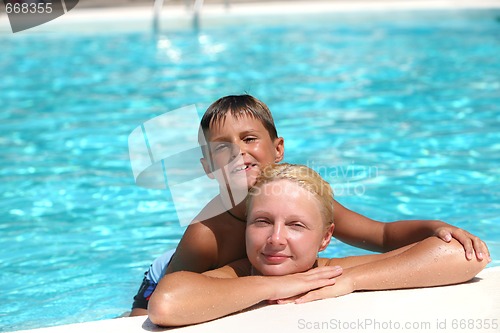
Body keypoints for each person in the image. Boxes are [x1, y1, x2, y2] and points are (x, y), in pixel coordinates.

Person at [130, 95, 490, 316]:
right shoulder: (205, 232)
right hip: (169, 274)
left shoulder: (303, 198)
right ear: (209, 167)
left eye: (250, 139)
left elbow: (381, 234)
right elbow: (169, 293)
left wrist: (434, 228)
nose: (238, 152)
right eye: (221, 148)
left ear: (278, 148)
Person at [148, 163, 488, 326]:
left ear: (326, 237)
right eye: (262, 222)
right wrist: (277, 284)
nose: (276, 239)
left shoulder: (330, 273)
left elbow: (462, 255)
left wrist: (351, 281)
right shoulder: (234, 274)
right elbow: (165, 303)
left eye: (296, 225)